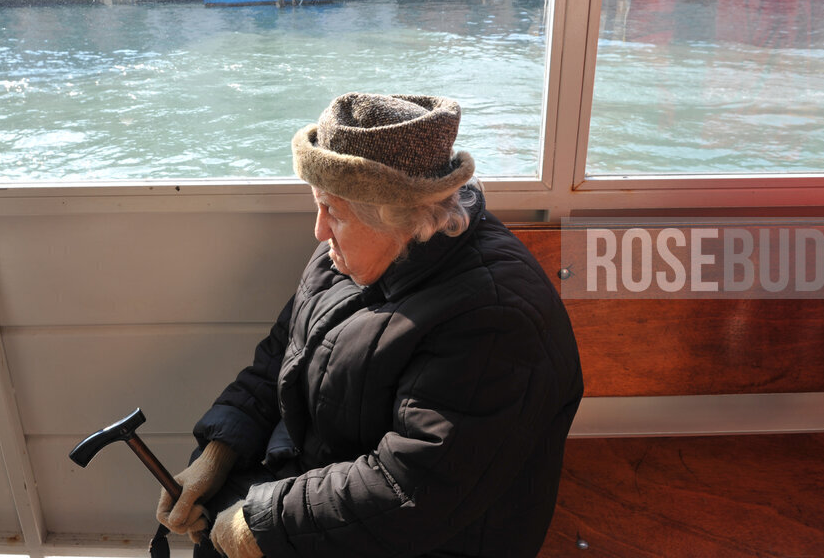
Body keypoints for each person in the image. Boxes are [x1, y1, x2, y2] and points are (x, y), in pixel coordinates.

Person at [156, 93, 583, 558]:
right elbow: (280, 359)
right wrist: (220, 452)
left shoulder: (495, 322)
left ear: (397, 217)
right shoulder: (347, 258)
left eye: (333, 213)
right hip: (331, 493)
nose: (319, 231)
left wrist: (260, 522)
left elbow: (411, 489)